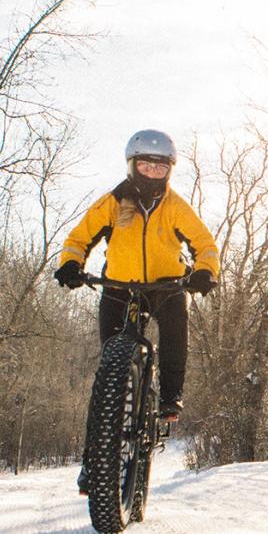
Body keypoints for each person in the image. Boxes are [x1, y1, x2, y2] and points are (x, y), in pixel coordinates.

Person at [54, 130, 218, 438]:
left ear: (170, 169)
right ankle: (99, 451)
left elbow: (204, 243)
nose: (153, 173)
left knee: (174, 334)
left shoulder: (175, 207)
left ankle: (170, 397)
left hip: (165, 286)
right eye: (146, 166)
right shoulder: (113, 203)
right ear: (132, 166)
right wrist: (71, 264)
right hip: (118, 285)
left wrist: (205, 271)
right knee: (109, 365)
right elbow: (79, 238)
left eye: (160, 167)